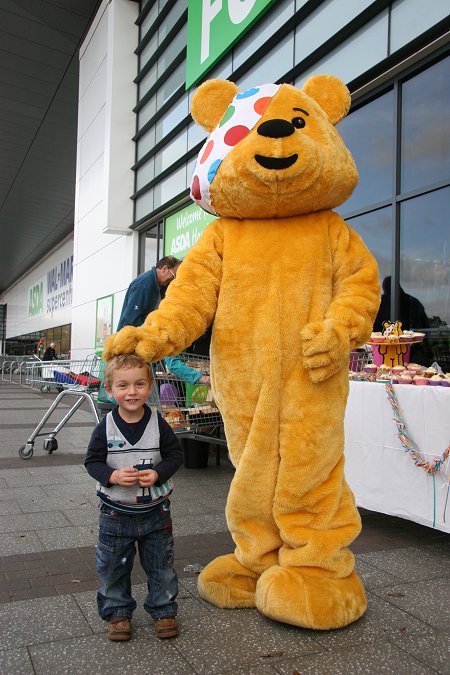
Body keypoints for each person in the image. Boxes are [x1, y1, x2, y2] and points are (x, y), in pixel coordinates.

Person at [84, 353, 183, 642]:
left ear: (150, 386)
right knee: (113, 568)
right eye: (123, 385)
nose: (132, 392)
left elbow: (175, 455)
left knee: (161, 565)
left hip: (156, 512)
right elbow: (92, 462)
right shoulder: (105, 426)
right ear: (110, 388)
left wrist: (159, 473)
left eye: (139, 384)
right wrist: (112, 476)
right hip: (115, 515)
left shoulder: (158, 423)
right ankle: (117, 613)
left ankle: (164, 610)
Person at [117, 256, 181, 330]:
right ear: (164, 269)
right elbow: (132, 320)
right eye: (174, 276)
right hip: (131, 338)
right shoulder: (143, 284)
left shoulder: (160, 287)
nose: (173, 280)